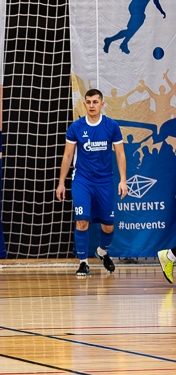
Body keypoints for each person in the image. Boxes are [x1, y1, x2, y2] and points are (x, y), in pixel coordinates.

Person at [56, 88, 128, 276]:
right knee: (82, 222)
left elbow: (120, 154)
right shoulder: (76, 127)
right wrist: (61, 183)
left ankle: (102, 252)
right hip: (83, 181)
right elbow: (68, 155)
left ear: (102, 104)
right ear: (84, 104)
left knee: (108, 226)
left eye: (95, 102)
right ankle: (83, 263)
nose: (91, 105)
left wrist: (123, 180)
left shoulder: (111, 126)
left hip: (104, 181)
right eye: (88, 102)